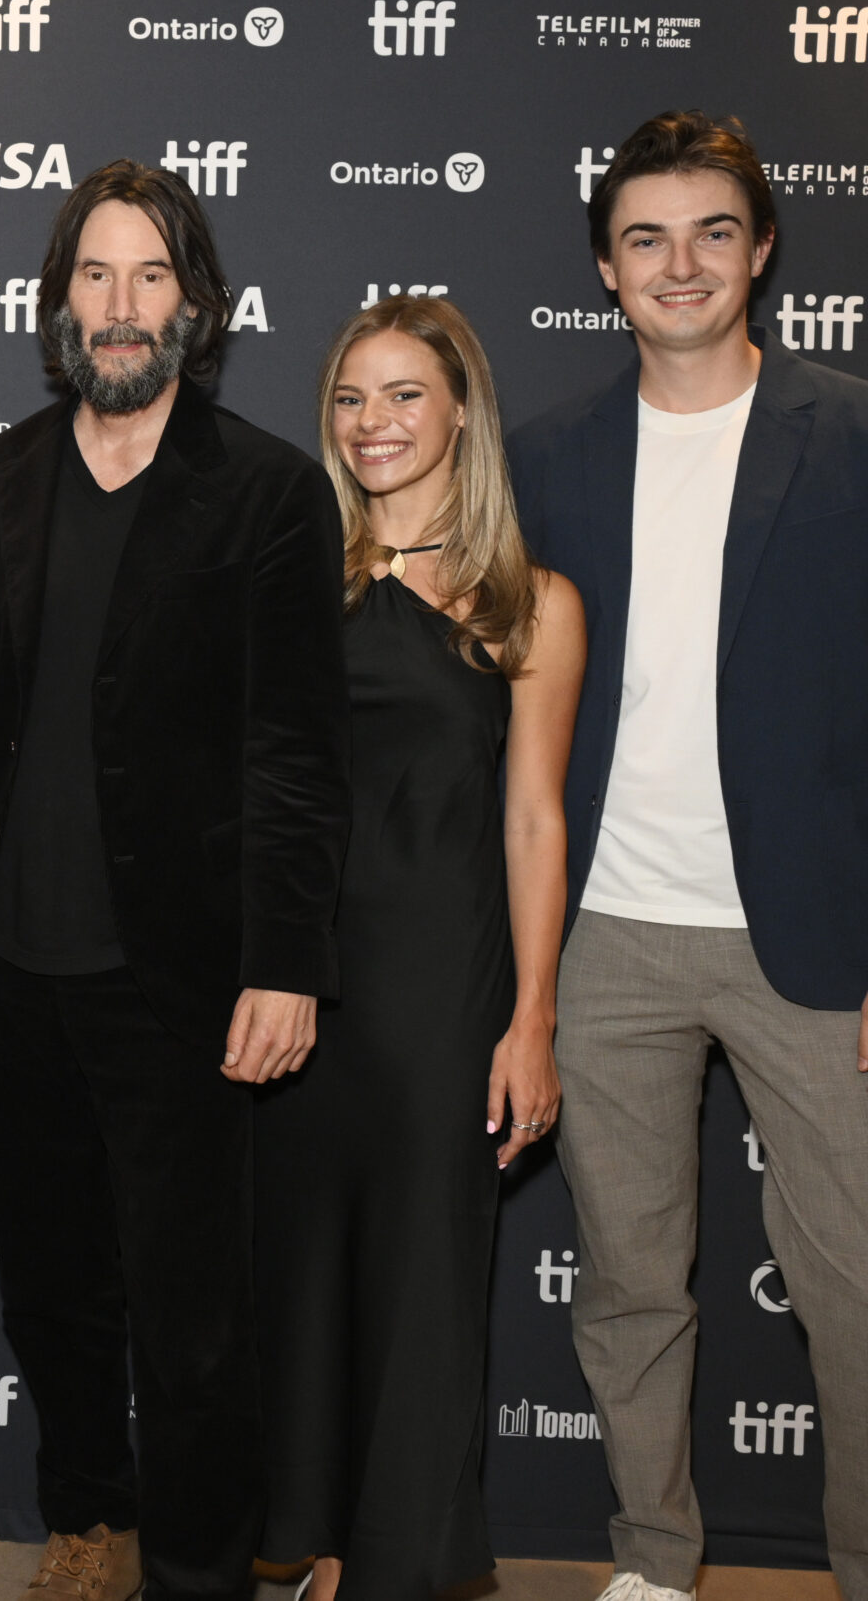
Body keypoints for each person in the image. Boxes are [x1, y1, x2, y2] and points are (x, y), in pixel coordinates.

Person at [509, 110, 868, 1601]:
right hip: (605, 937)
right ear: (605, 266)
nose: (679, 263)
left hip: (827, 944)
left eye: (712, 231)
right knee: (628, 1283)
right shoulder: (547, 454)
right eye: (644, 237)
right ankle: (652, 1560)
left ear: (761, 248)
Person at [0, 159, 350, 1601]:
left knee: (192, 1315)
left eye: (151, 275)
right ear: (59, 302)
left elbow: (297, 754)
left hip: (183, 974)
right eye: (96, 274)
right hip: (14, 963)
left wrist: (285, 961)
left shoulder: (271, 493)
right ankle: (88, 1522)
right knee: (52, 1286)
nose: (120, 305)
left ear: (197, 304)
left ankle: (195, 1566)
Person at [256, 296, 584, 1601]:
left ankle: (395, 1563)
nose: (372, 422)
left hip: (443, 988)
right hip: (298, 983)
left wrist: (533, 1017)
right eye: (350, 397)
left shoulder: (529, 604)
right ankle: (332, 1543)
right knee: (306, 1276)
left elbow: (535, 818)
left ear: (460, 412)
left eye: (403, 394)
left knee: (423, 1284)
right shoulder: (291, 581)